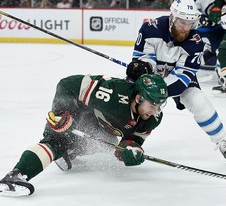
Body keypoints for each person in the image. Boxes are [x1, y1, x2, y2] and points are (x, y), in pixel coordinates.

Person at [0, 73, 168, 196]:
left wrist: (130, 150)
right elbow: (68, 84)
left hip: (99, 122)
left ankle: (69, 153)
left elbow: (132, 140)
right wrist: (62, 112)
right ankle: (15, 176)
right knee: (56, 141)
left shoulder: (153, 118)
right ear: (138, 98)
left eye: (160, 105)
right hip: (78, 111)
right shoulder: (112, 94)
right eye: (152, 105)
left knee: (107, 142)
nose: (155, 111)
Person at [126, 0, 226, 161]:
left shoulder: (196, 42)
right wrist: (143, 67)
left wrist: (158, 90)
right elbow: (144, 57)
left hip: (176, 78)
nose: (186, 28)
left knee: (197, 99)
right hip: (152, 75)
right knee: (129, 97)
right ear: (172, 18)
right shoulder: (150, 29)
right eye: (182, 22)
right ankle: (125, 137)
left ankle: (222, 140)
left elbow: (182, 77)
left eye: (189, 23)